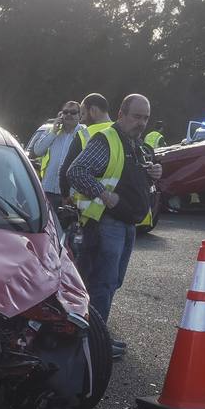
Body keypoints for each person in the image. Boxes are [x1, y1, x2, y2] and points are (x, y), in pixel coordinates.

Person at [66, 93, 163, 358]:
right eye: (136, 116)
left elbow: (128, 177)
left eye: (145, 118)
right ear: (121, 114)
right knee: (102, 283)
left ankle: (96, 336)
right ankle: (91, 345)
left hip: (127, 223)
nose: (141, 122)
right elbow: (76, 171)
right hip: (107, 223)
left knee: (112, 282)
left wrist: (153, 173)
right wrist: (104, 195)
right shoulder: (107, 139)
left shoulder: (135, 143)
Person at [27, 100, 88, 214]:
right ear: (61, 114)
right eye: (65, 112)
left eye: (73, 112)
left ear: (80, 115)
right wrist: (54, 131)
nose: (68, 115)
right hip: (48, 189)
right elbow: (38, 150)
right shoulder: (52, 131)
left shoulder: (84, 133)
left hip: (72, 193)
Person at [58, 92, 111, 200]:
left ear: (93, 111)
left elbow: (65, 171)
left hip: (90, 207)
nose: (81, 119)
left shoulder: (84, 135)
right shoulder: (121, 132)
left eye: (83, 114)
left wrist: (65, 196)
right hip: (118, 204)